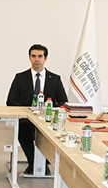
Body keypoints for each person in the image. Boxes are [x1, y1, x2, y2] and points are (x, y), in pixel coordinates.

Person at [6, 44, 67, 174]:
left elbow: (63, 102)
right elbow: (10, 101)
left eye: (40, 56)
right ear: (29, 57)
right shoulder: (20, 77)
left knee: (50, 135)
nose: (36, 59)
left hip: (48, 120)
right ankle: (33, 162)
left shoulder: (55, 79)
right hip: (26, 120)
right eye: (33, 56)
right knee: (23, 131)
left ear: (45, 58)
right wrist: (27, 111)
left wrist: (51, 110)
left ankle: (43, 163)